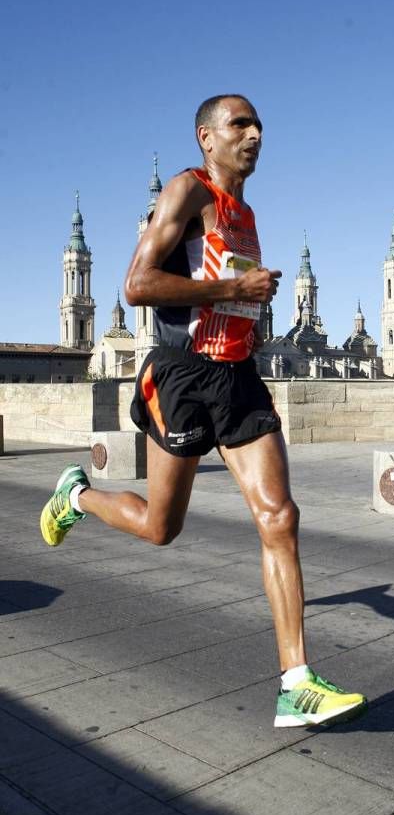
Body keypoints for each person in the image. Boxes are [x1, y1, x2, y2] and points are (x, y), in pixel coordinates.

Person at [40, 94, 367, 728]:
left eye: (259, 124)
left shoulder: (244, 209)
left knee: (279, 515)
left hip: (238, 373)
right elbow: (136, 285)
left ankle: (295, 682)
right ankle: (76, 496)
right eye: (239, 125)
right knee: (161, 527)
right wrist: (233, 287)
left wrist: (246, 295)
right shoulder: (187, 194)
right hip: (183, 374)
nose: (255, 134)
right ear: (206, 138)